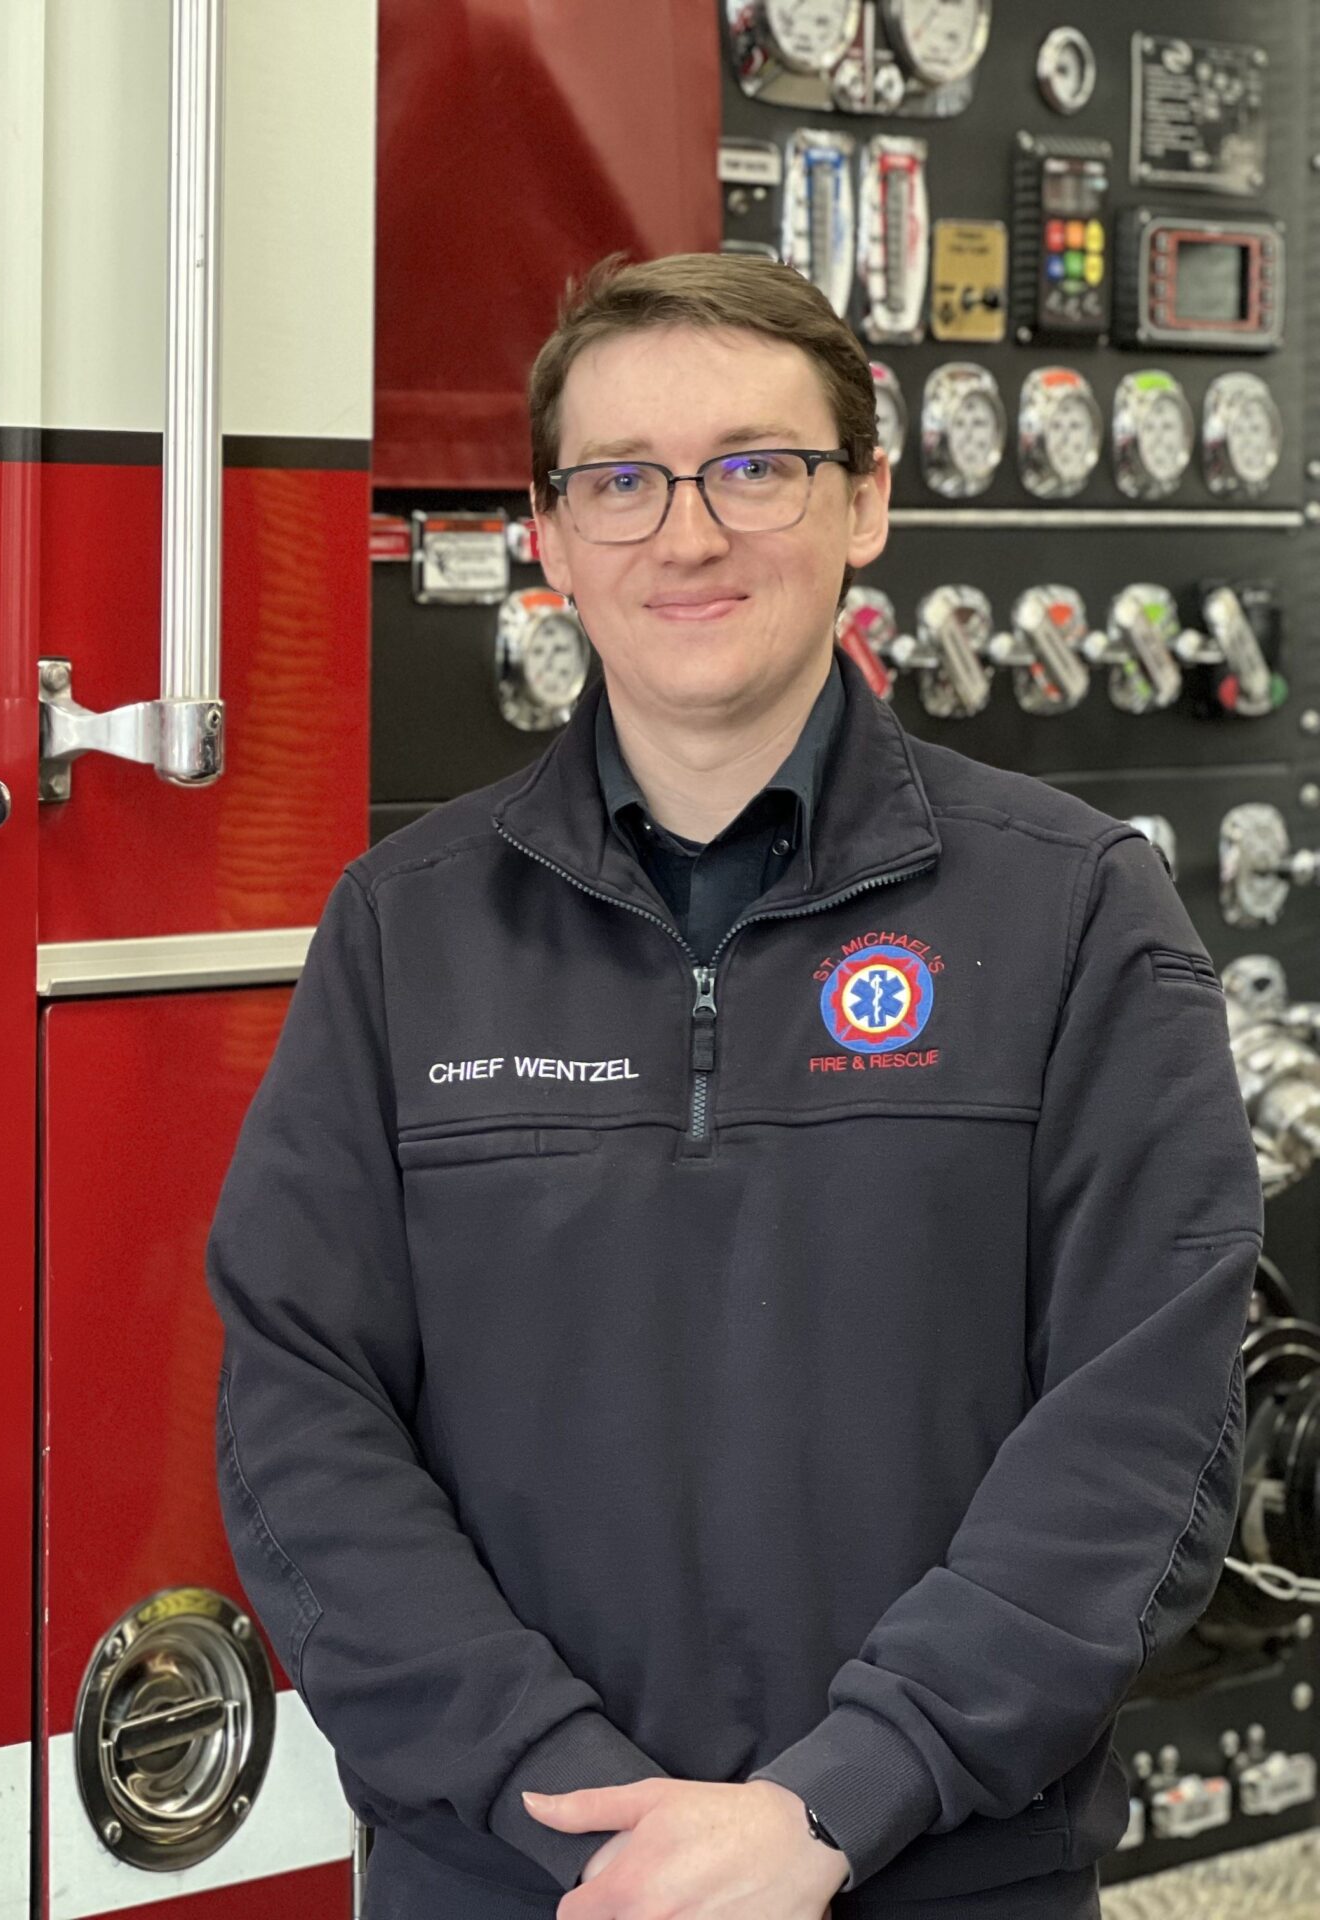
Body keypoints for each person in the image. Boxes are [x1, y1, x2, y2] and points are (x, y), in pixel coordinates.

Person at [206, 252, 1261, 1919]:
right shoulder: (404, 932)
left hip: (940, 1873)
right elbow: (299, 1414)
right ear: (550, 538)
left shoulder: (1073, 913)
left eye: (757, 467)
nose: (686, 535)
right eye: (621, 481)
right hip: (514, 1882)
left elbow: (1150, 1430)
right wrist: (578, 1813)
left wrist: (841, 1802)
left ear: (868, 506)